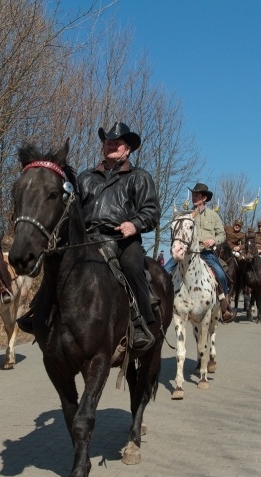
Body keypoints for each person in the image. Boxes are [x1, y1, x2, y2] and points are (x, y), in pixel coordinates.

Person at [78, 122, 163, 348]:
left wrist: (135, 224)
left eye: (117, 143)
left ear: (128, 149)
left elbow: (151, 211)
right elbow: (73, 210)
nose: (111, 146)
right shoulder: (85, 177)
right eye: (108, 142)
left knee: (133, 267)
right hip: (87, 238)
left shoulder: (139, 177)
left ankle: (141, 323)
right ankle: (39, 311)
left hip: (123, 240)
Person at [165, 183, 234, 323]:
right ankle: (162, 302)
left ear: (204, 198)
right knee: (164, 270)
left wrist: (213, 240)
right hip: (187, 253)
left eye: (196, 195)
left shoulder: (213, 216)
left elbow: (222, 235)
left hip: (206, 253)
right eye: (193, 195)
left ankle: (225, 306)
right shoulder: (187, 215)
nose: (193, 197)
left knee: (221, 274)